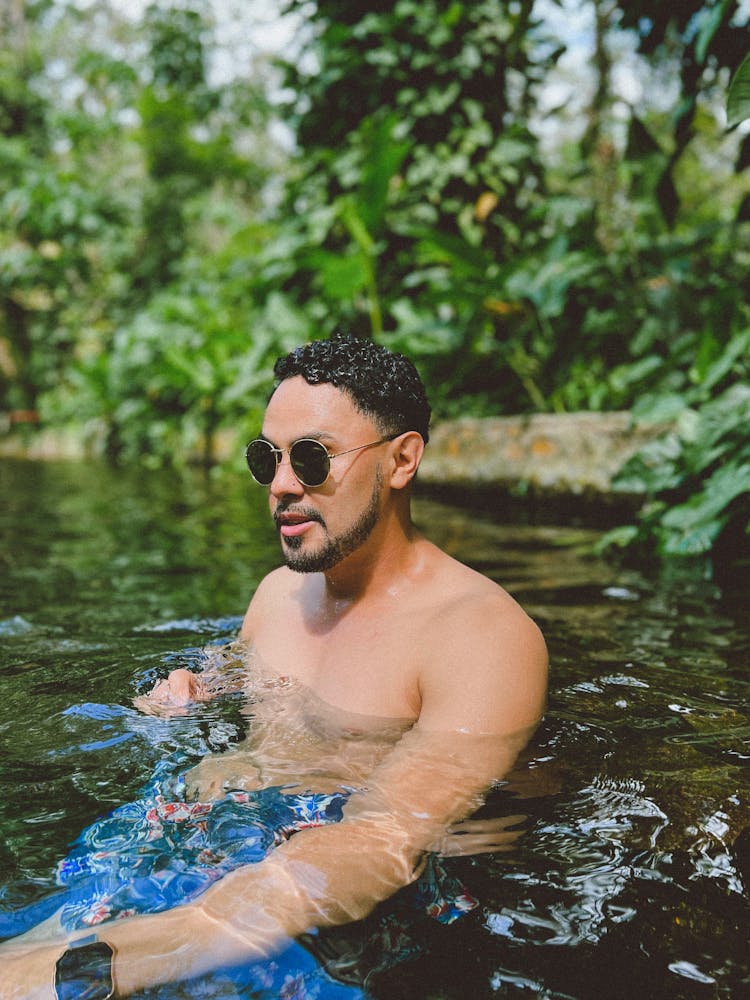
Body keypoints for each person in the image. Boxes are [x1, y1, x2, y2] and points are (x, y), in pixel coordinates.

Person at [0, 333, 547, 998]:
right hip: (208, 844)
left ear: (402, 459)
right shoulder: (276, 595)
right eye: (269, 459)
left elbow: (380, 840)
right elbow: (231, 674)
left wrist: (92, 968)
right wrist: (191, 687)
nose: (283, 485)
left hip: (341, 921)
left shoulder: (481, 638)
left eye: (313, 459)